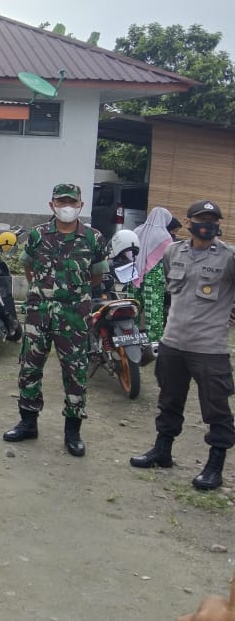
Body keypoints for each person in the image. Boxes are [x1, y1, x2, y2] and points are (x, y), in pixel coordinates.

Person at [130, 199, 235, 491]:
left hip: (209, 348)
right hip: (173, 343)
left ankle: (214, 466)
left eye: (212, 220)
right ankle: (162, 451)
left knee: (216, 408)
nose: (207, 225)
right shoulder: (173, 252)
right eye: (201, 219)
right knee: (169, 400)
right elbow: (173, 289)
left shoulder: (228, 257)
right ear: (188, 222)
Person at [3, 183, 107, 456]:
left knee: (75, 372)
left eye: (72, 202)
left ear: (81, 205)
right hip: (39, 313)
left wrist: (70, 295)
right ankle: (28, 423)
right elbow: (28, 267)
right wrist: (45, 292)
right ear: (52, 205)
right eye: (61, 202)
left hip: (74, 317)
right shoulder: (37, 235)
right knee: (29, 367)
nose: (66, 207)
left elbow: (96, 275)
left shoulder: (93, 237)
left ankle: (73, 432)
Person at [131, 206, 177, 344]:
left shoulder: (137, 231)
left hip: (134, 275)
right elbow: (169, 259)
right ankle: (153, 344)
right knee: (154, 312)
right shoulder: (165, 237)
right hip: (154, 277)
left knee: (132, 310)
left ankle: (130, 340)